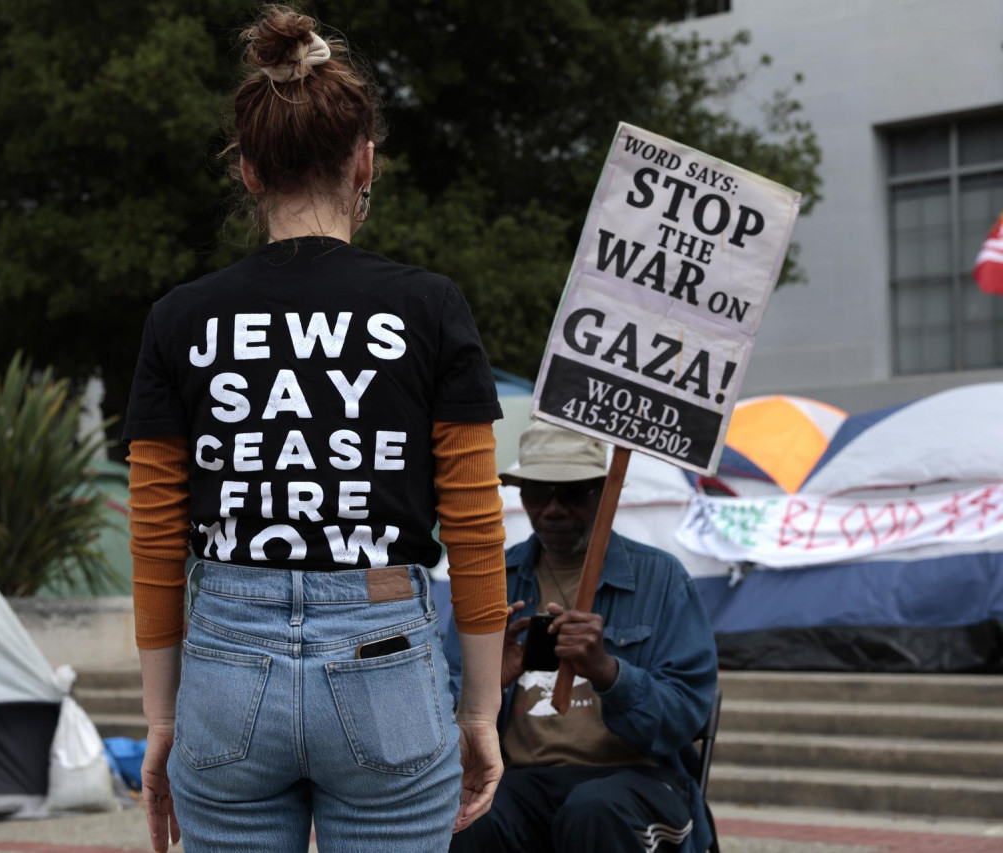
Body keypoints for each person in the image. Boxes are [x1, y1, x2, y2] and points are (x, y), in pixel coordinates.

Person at [122, 7, 509, 852]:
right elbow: (477, 529)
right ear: (364, 161)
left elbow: (155, 535)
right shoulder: (430, 306)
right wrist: (480, 711)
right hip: (385, 656)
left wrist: (160, 718)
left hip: (225, 664)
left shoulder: (178, 317)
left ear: (251, 172)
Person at [444, 421, 719, 853]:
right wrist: (488, 682)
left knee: (593, 810)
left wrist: (609, 673)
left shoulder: (661, 578)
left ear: (602, 492)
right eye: (537, 492)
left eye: (570, 494)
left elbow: (686, 718)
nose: (553, 509)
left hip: (637, 777)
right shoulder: (493, 580)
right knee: (467, 819)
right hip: (523, 777)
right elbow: (439, 715)